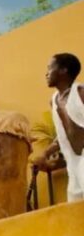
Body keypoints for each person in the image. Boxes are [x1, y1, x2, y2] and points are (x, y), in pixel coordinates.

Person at [34, 53, 84, 201]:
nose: (46, 73)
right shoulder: (54, 101)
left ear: (63, 70)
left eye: (50, 68)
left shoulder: (80, 93)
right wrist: (45, 154)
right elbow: (63, 135)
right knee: (75, 208)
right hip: (73, 165)